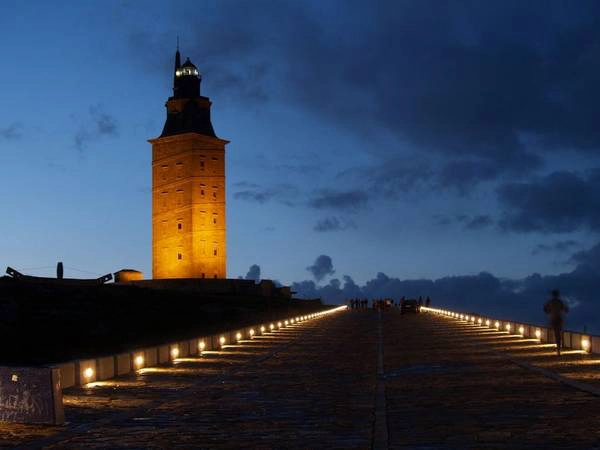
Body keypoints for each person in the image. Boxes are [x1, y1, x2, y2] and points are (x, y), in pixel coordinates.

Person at [543, 289, 569, 356]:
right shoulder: (560, 302)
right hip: (559, 319)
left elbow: (545, 309)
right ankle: (558, 348)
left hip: (553, 319)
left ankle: (557, 348)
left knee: (555, 333)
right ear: (557, 295)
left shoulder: (550, 302)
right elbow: (565, 309)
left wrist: (549, 312)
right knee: (559, 333)